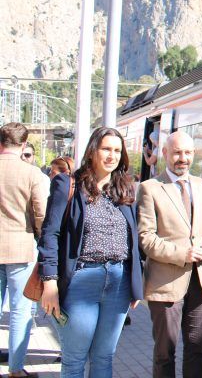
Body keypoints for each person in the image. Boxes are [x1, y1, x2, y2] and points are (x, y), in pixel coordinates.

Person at [38, 127, 143, 378]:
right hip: (82, 280)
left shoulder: (124, 188)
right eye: (106, 149)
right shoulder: (68, 184)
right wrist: (49, 283)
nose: (112, 155)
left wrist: (135, 283)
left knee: (104, 358)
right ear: (92, 151)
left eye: (117, 150)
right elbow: (50, 234)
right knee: (74, 360)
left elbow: (133, 238)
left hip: (119, 281)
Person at [137, 131, 202, 378]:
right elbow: (146, 239)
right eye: (177, 152)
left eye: (187, 153)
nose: (182, 158)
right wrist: (183, 253)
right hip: (166, 283)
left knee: (198, 349)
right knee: (166, 352)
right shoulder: (149, 189)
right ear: (164, 153)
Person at [0, 122, 48, 378]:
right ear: (23, 145)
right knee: (20, 311)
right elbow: (41, 214)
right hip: (21, 249)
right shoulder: (32, 174)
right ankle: (16, 371)